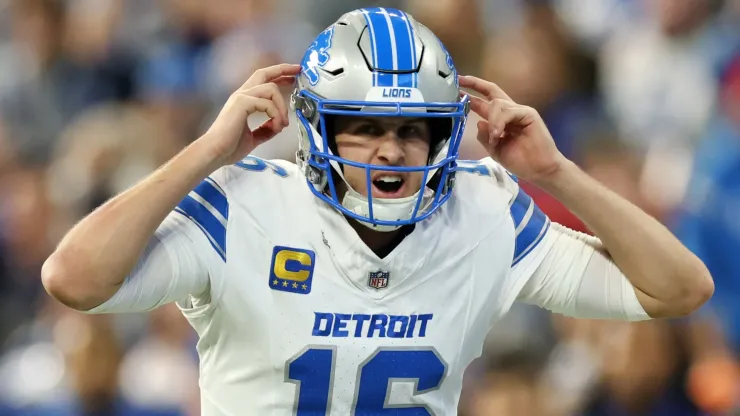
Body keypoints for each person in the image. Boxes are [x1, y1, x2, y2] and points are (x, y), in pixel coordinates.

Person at [40, 7, 714, 415]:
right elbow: (74, 277)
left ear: (442, 138)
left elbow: (679, 288)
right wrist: (206, 152)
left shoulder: (484, 212)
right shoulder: (241, 204)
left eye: (411, 130)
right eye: (363, 126)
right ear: (317, 130)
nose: (389, 151)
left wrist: (558, 173)